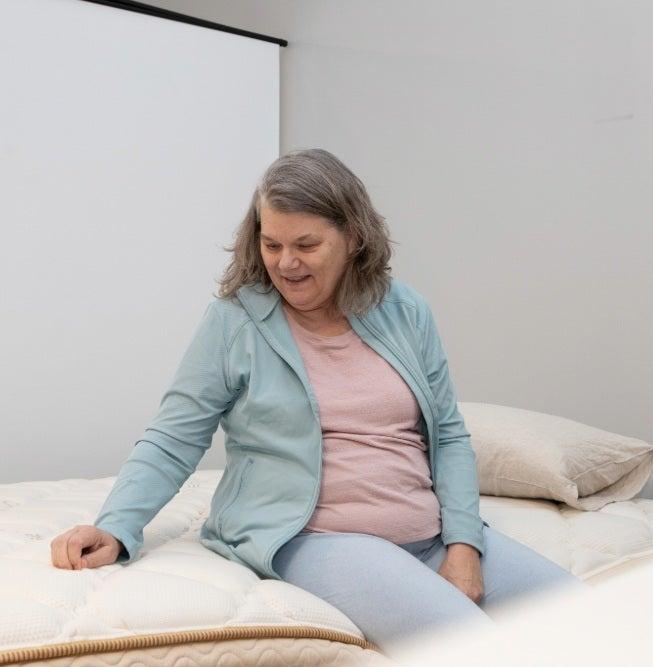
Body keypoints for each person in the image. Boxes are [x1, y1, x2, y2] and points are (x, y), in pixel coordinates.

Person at [50, 148, 587, 655]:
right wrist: (116, 525)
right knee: (473, 646)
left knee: (590, 619)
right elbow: (174, 437)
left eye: (306, 245)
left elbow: (447, 434)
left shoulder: (405, 310)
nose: (286, 263)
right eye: (271, 244)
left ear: (352, 237)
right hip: (316, 537)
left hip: (429, 535)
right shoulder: (234, 321)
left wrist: (464, 545)